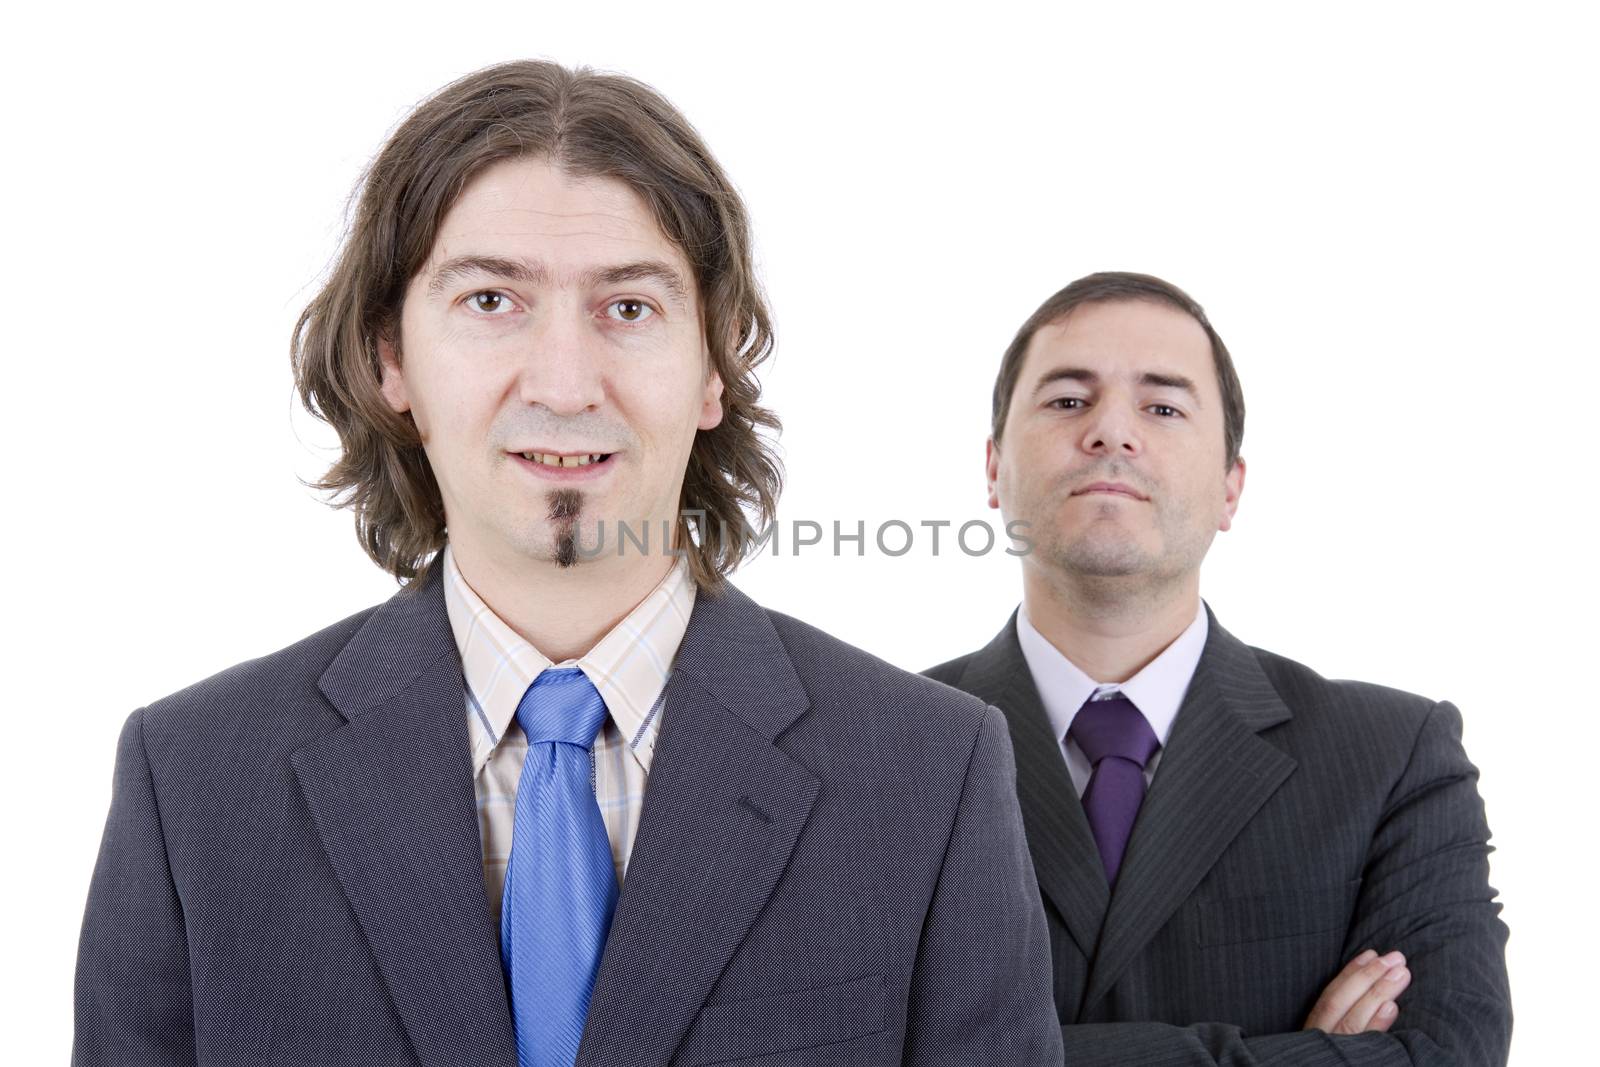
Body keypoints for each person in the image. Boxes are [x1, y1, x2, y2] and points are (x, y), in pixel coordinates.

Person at [73, 61, 1062, 1067]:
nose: (562, 379)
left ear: (714, 365)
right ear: (391, 360)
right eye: (492, 298)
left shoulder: (932, 775)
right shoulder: (192, 784)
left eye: (628, 308)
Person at [925, 271, 1511, 1065]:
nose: (1112, 432)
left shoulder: (1395, 756)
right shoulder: (883, 747)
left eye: (1163, 407)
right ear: (993, 469)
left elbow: (1447, 1053)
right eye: (1068, 400)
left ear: (1232, 487)